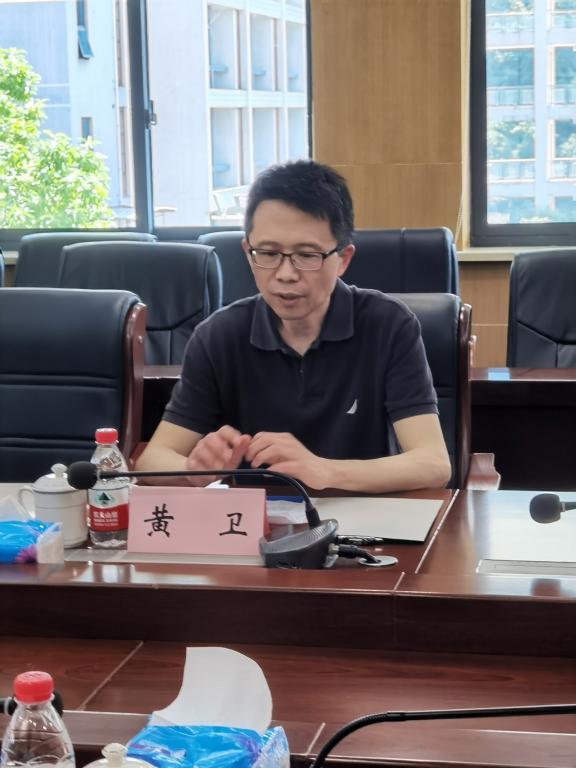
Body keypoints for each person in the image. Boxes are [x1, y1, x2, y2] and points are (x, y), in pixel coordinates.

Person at [136, 160, 451, 492]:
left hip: (360, 515)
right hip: (256, 519)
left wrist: (323, 470)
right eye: (268, 253)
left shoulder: (388, 325)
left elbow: (433, 463)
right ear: (247, 251)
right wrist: (193, 469)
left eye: (307, 255)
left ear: (343, 259)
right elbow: (151, 460)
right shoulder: (218, 335)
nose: (285, 274)